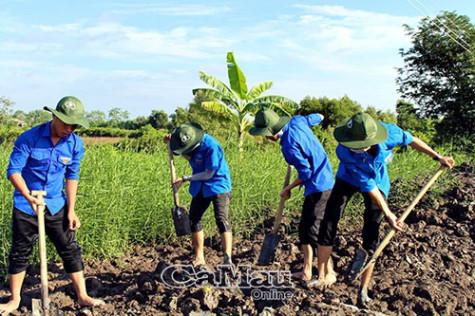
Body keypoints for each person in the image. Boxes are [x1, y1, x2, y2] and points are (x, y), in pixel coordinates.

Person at [316, 112, 455, 305]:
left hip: (379, 182)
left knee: (372, 227)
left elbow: (412, 140)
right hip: (348, 179)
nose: (357, 149)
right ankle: (324, 274)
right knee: (330, 219)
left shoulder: (391, 133)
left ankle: (363, 289)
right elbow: (366, 185)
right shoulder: (344, 151)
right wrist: (390, 213)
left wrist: (438, 157)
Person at [0, 96, 104, 315]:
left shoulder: (75, 144)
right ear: (54, 116)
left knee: (70, 249)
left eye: (74, 125)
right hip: (26, 204)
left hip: (56, 204)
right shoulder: (29, 138)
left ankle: (82, 295)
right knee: (20, 252)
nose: (69, 128)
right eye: (66, 123)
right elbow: (14, 171)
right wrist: (29, 197)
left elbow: (72, 175)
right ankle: (15, 299)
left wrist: (72, 209)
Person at [249, 108, 336, 287]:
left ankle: (328, 273)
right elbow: (319, 117)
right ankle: (306, 270)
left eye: (266, 134)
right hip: (316, 184)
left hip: (320, 185)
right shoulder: (297, 121)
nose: (266, 138)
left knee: (314, 230)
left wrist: (287, 188)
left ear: (273, 131)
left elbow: (306, 172)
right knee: (304, 228)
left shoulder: (289, 145)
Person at [164, 123, 233, 267]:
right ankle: (199, 257)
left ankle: (227, 259)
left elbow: (209, 173)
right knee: (194, 219)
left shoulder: (211, 146)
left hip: (218, 183)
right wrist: (171, 144)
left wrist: (185, 179)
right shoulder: (190, 144)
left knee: (221, 219)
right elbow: (189, 157)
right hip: (200, 184)